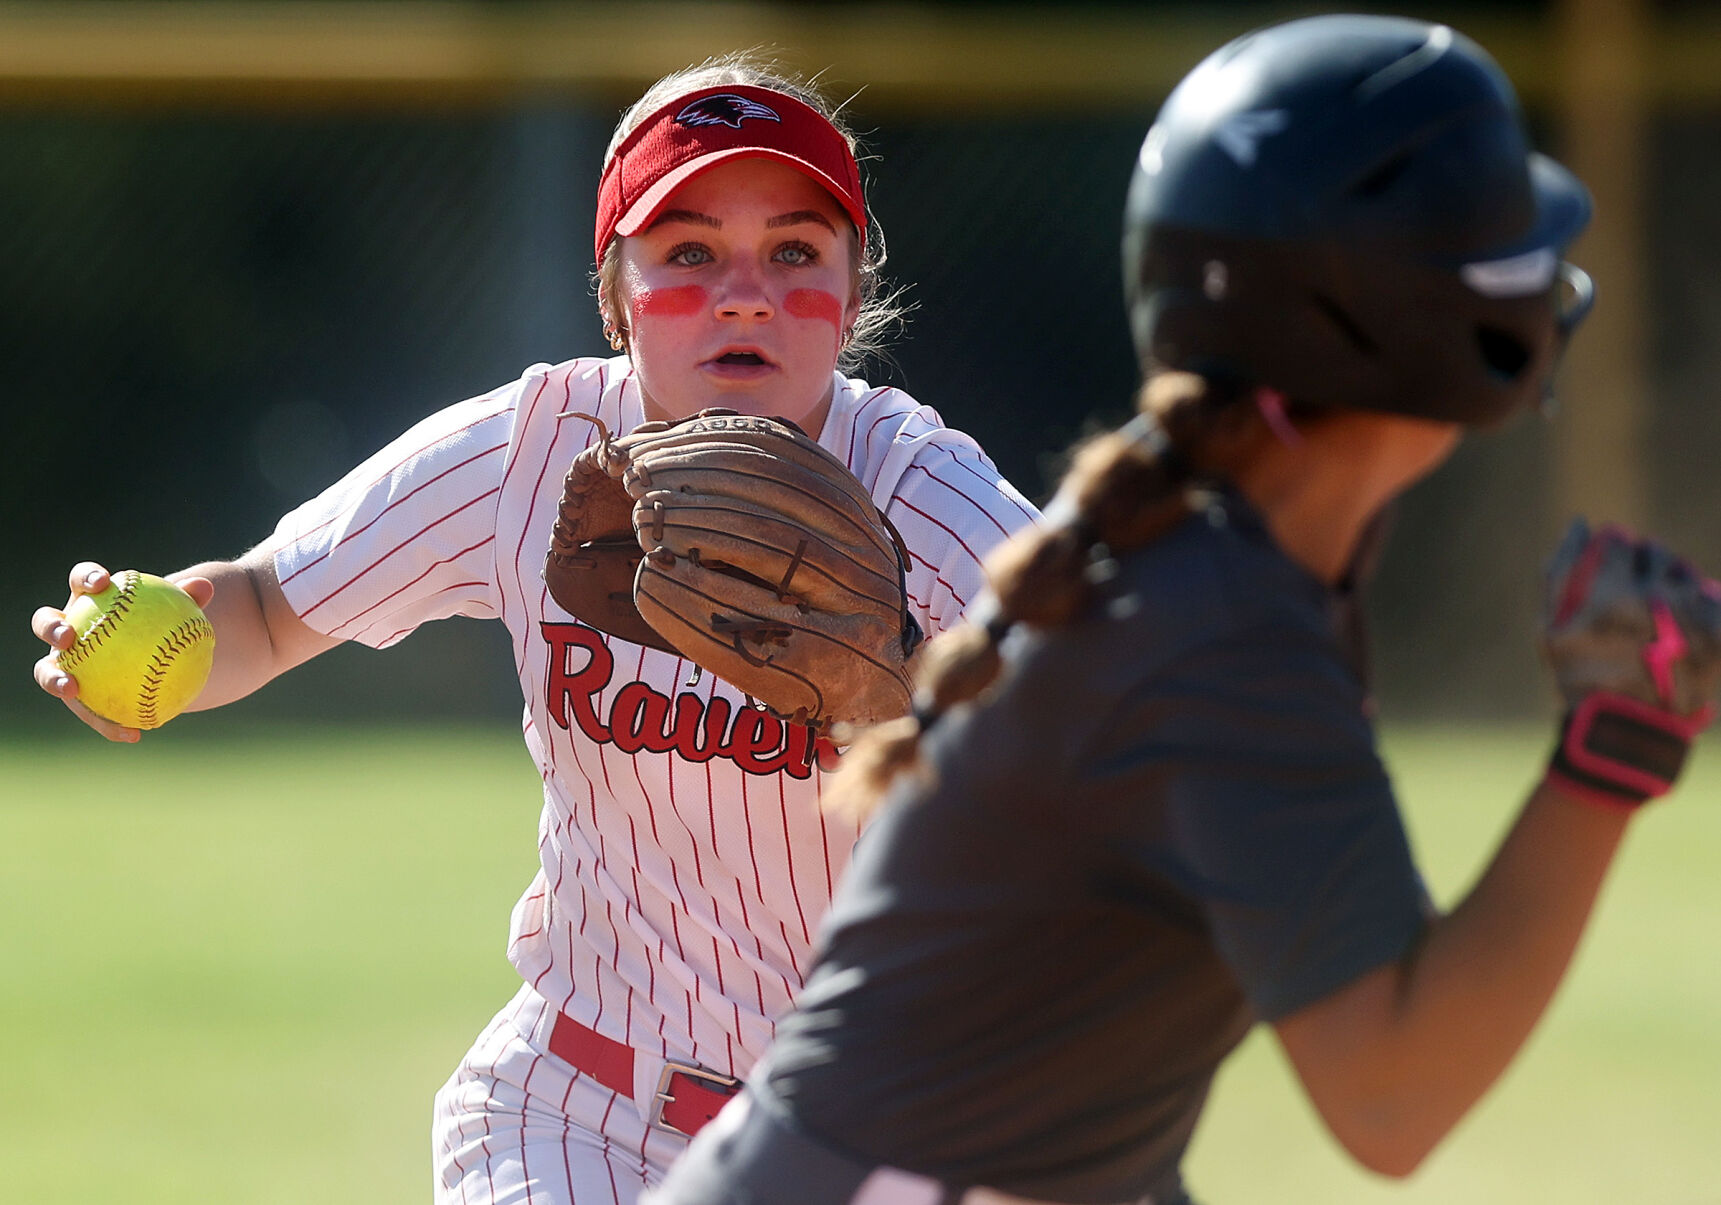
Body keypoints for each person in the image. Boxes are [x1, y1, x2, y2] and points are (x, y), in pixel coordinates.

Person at [644, 15, 1721, 1205]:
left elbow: (1174, 1022)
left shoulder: (1213, 564)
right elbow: (1390, 1097)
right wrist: (1614, 750)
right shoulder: (1212, 622)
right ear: (1399, 316)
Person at [29, 53, 1039, 1205]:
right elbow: (263, 605)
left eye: (795, 252)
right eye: (689, 251)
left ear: (854, 296)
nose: (744, 292)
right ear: (614, 300)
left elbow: (1108, 701)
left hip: (884, 1130)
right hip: (579, 1113)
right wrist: (162, 652)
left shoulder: (914, 483)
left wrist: (900, 693)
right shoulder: (535, 450)